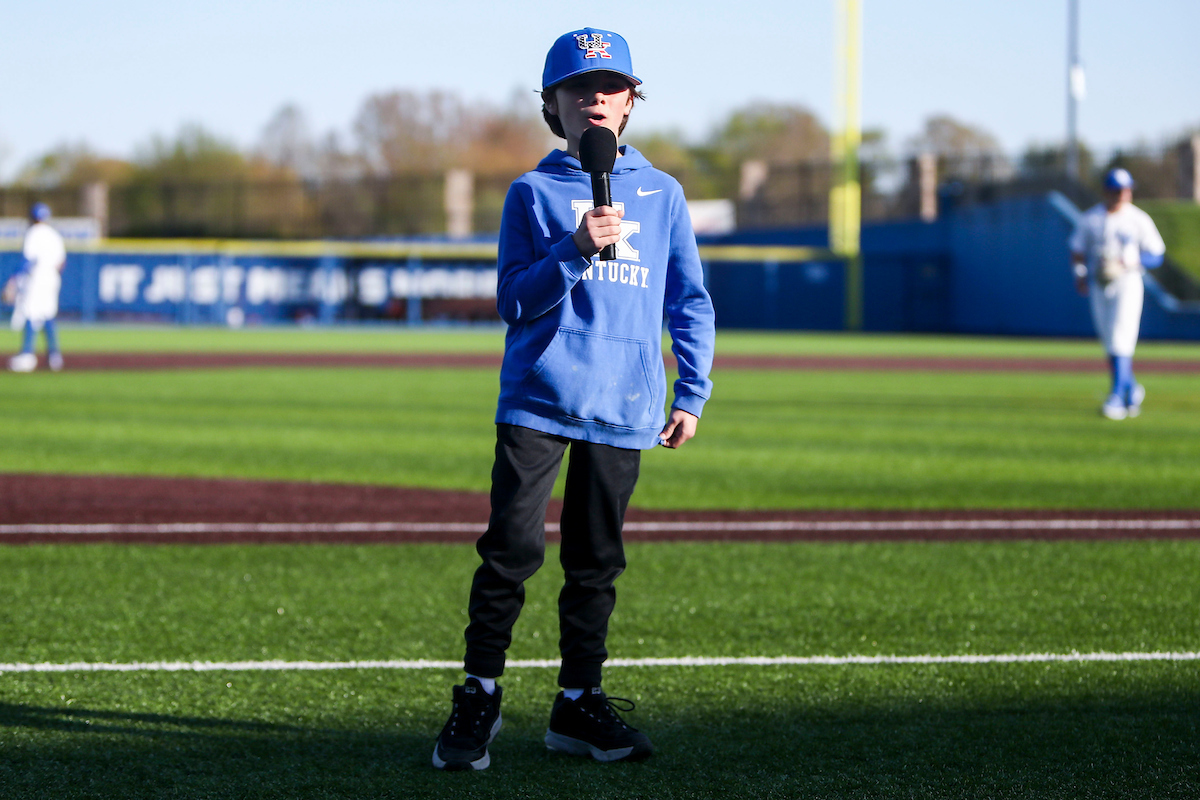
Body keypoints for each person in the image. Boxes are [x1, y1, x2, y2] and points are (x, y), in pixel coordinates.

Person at [432, 27, 715, 771]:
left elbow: (690, 301)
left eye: (611, 87)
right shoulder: (531, 192)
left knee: (596, 563)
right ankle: (480, 693)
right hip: (538, 400)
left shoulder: (665, 194)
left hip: (625, 406)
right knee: (511, 552)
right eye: (578, 88)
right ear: (552, 106)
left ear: (630, 103)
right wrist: (574, 249)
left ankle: (577, 703)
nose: (595, 98)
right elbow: (513, 303)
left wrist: (693, 390)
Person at [1069, 167, 1165, 420]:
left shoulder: (1138, 219)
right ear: (1106, 191)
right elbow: (1077, 249)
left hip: (1128, 282)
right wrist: (1080, 275)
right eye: (1117, 190)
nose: (1122, 194)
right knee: (1109, 340)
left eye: (1126, 189)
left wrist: (1129, 262)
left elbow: (1156, 254)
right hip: (1100, 284)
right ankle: (1131, 389)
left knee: (1121, 337)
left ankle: (1116, 397)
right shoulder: (1092, 218)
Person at [5, 202, 66, 372]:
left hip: (37, 277)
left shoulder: (33, 233)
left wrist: (13, 279)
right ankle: (54, 356)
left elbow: (28, 260)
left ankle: (27, 355)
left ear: (32, 218)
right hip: (52, 278)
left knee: (31, 312)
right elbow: (61, 263)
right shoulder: (54, 235)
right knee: (47, 315)